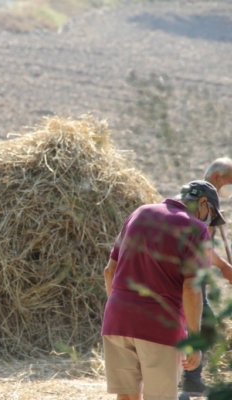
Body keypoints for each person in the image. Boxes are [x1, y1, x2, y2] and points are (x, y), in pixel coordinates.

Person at [102, 180, 225, 400]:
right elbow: (191, 288)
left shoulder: (140, 213)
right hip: (158, 325)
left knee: (127, 396)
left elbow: (109, 272)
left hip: (116, 321)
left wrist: (124, 312)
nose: (208, 222)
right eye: (210, 215)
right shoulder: (195, 229)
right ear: (203, 202)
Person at [179, 157, 232, 398]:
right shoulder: (204, 206)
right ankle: (188, 380)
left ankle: (191, 379)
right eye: (229, 181)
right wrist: (224, 268)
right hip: (187, 277)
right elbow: (203, 250)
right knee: (203, 322)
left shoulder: (201, 199)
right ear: (217, 178)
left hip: (189, 274)